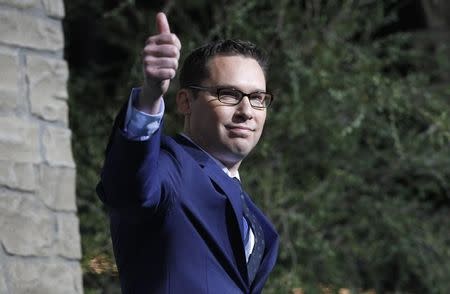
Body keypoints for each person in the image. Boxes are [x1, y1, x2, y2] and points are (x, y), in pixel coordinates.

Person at [97, 12, 279, 294]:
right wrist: (150, 96)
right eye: (228, 94)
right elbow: (126, 187)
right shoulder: (170, 168)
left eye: (257, 98)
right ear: (185, 102)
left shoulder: (253, 215)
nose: (246, 111)